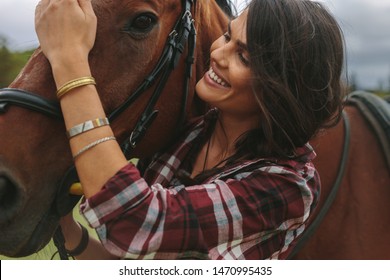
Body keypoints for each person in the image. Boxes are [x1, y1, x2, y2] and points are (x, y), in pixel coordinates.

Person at [35, 0, 345, 259]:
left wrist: (68, 59)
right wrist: (69, 232)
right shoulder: (186, 138)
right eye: (227, 36)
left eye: (244, 56)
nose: (218, 55)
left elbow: (140, 223)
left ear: (284, 90)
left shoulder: (285, 188)